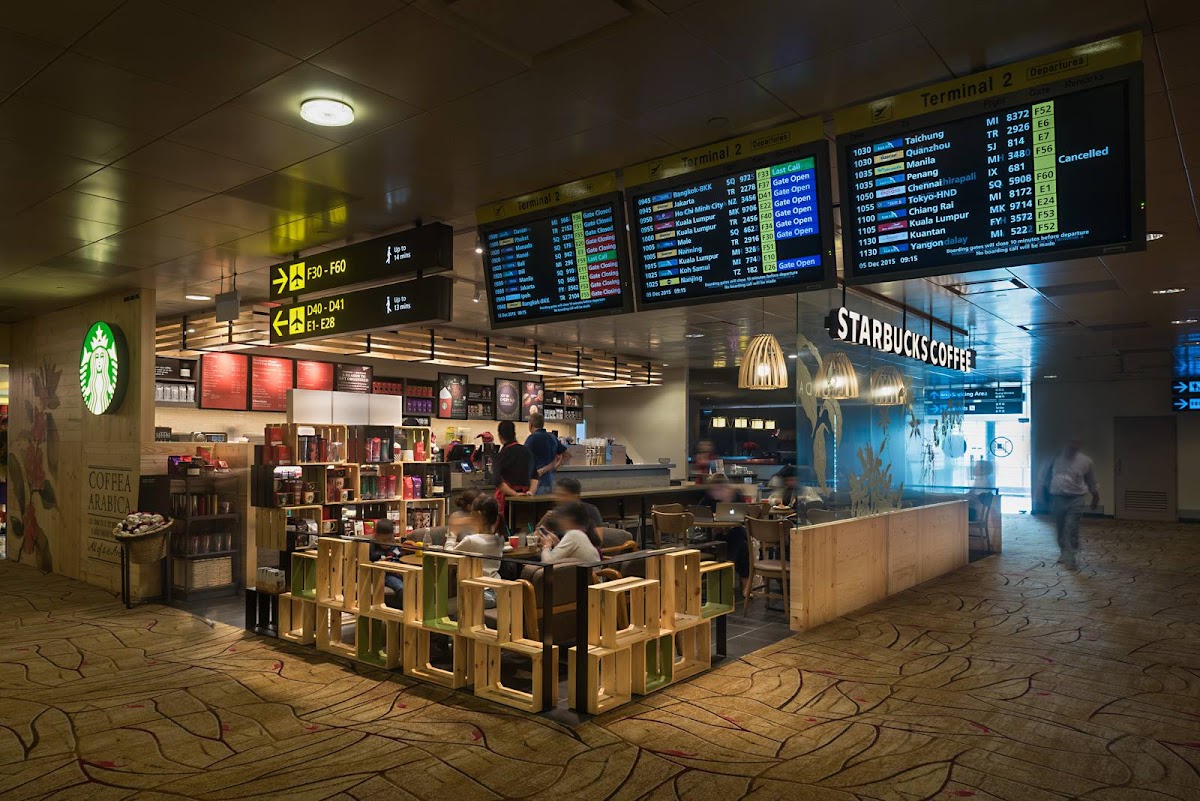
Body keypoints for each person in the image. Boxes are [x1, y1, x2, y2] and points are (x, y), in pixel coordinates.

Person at [1040, 439, 1100, 569]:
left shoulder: (1086, 461)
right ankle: (1064, 552)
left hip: (1076, 498)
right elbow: (1044, 477)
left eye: (1075, 445)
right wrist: (1042, 495)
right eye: (1069, 445)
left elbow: (1091, 481)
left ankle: (1071, 556)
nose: (1072, 448)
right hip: (1058, 498)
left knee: (1072, 527)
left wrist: (1095, 497)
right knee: (1061, 528)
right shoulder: (1055, 458)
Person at [701, 474, 750, 597]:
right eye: (713, 490)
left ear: (724, 487)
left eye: (718, 489)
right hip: (714, 534)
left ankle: (728, 576)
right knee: (742, 545)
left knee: (740, 541)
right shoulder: (708, 498)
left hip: (734, 531)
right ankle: (739, 582)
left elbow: (744, 515)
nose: (714, 492)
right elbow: (699, 512)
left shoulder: (736, 495)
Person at [453, 496, 506, 607]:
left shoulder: (471, 540)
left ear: (477, 515)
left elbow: (448, 557)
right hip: (498, 591)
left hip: (481, 593)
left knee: (444, 607)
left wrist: (451, 534)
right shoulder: (500, 538)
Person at [493, 420, 532, 516]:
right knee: (523, 522)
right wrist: (530, 492)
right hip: (525, 497)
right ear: (514, 434)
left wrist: (514, 494)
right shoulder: (526, 451)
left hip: (506, 498)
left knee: (507, 523)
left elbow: (498, 481)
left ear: (500, 436)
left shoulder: (501, 455)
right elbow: (535, 475)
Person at [525, 412, 568, 495]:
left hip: (535, 483)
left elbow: (523, 457)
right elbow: (567, 454)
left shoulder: (532, 438)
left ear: (530, 425)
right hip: (548, 481)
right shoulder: (552, 437)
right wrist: (555, 466)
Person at [367, 519, 404, 609]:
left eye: (390, 540)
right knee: (401, 587)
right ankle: (401, 610)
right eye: (384, 541)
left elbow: (399, 555)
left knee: (415, 581)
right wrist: (380, 562)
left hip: (398, 571)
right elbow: (368, 563)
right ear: (376, 536)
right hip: (384, 574)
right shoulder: (372, 547)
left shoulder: (394, 546)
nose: (388, 543)